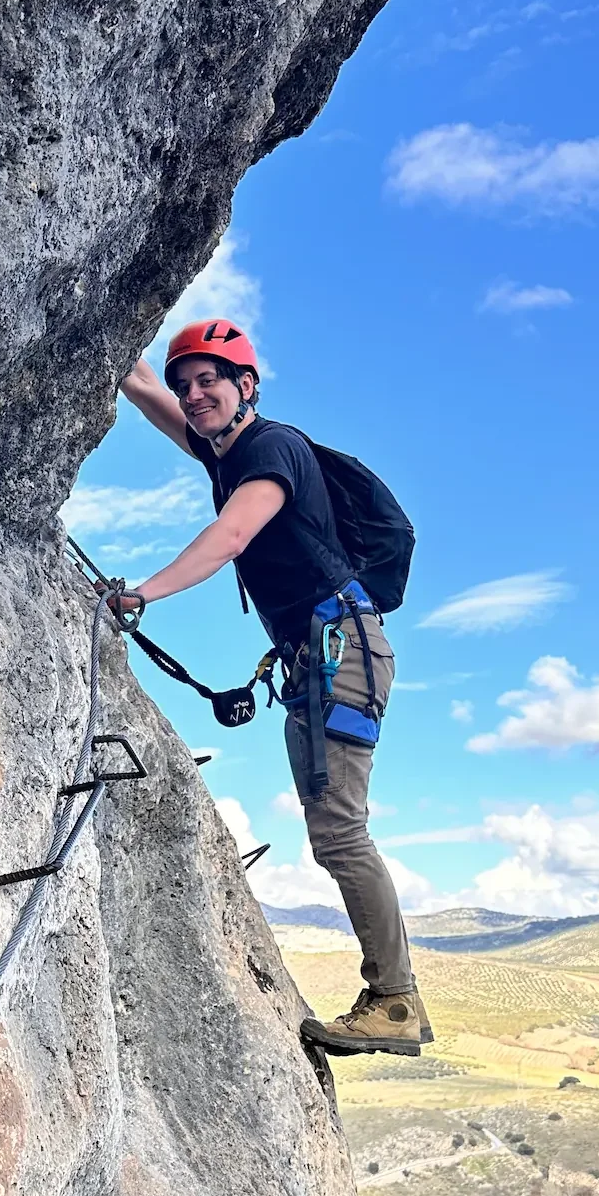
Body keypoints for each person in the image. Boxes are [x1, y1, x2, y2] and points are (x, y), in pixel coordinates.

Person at [113, 317, 431, 1058]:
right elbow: (138, 383)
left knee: (341, 831)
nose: (194, 396)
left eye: (210, 381)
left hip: (338, 651)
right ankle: (393, 996)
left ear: (245, 386)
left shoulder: (269, 450)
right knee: (334, 832)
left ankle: (394, 1001)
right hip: (314, 658)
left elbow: (231, 537)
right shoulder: (222, 448)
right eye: (188, 384)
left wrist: (146, 593)